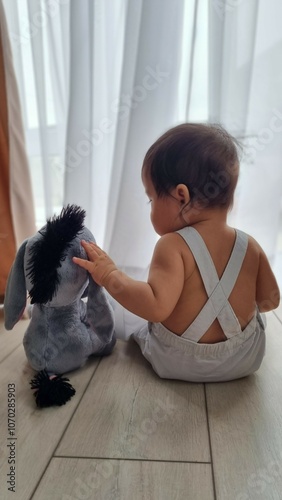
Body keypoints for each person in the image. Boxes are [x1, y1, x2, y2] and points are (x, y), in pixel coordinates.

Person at [73, 123, 280, 382]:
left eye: (151, 199)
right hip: (245, 359)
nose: (150, 207)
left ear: (180, 196)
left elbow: (155, 307)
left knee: (129, 317)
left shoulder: (172, 245)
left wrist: (110, 274)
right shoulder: (250, 245)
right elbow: (270, 302)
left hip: (178, 361)